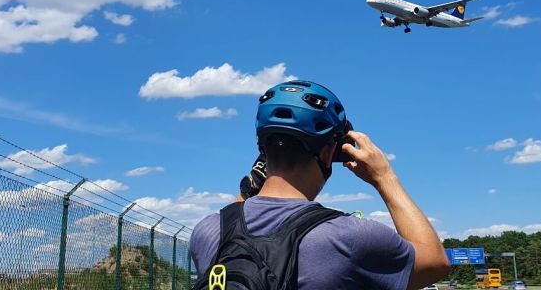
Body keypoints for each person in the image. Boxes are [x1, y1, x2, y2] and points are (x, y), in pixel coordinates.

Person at [190, 80, 450, 290]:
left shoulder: (206, 231)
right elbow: (435, 263)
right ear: (329, 154)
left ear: (262, 149)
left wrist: (252, 184)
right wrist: (384, 177)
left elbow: (235, 216)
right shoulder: (349, 237)